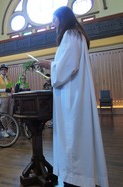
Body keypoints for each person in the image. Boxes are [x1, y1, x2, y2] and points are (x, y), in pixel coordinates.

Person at [35, 6, 108, 187]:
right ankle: (81, 176)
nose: (52, 24)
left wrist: (48, 65)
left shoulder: (70, 35)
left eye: (54, 20)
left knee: (73, 137)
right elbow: (68, 64)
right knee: (77, 137)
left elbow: (66, 67)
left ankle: (76, 179)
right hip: (74, 94)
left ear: (62, 18)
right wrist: (53, 65)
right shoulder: (77, 35)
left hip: (72, 99)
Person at [0, 64, 15, 137]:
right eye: (2, 69)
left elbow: (11, 88)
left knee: (10, 114)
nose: (4, 70)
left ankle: (9, 129)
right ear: (0, 70)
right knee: (3, 115)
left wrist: (12, 90)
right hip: (3, 98)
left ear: (7, 70)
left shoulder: (9, 78)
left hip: (10, 98)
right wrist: (5, 90)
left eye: (5, 69)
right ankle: (3, 130)